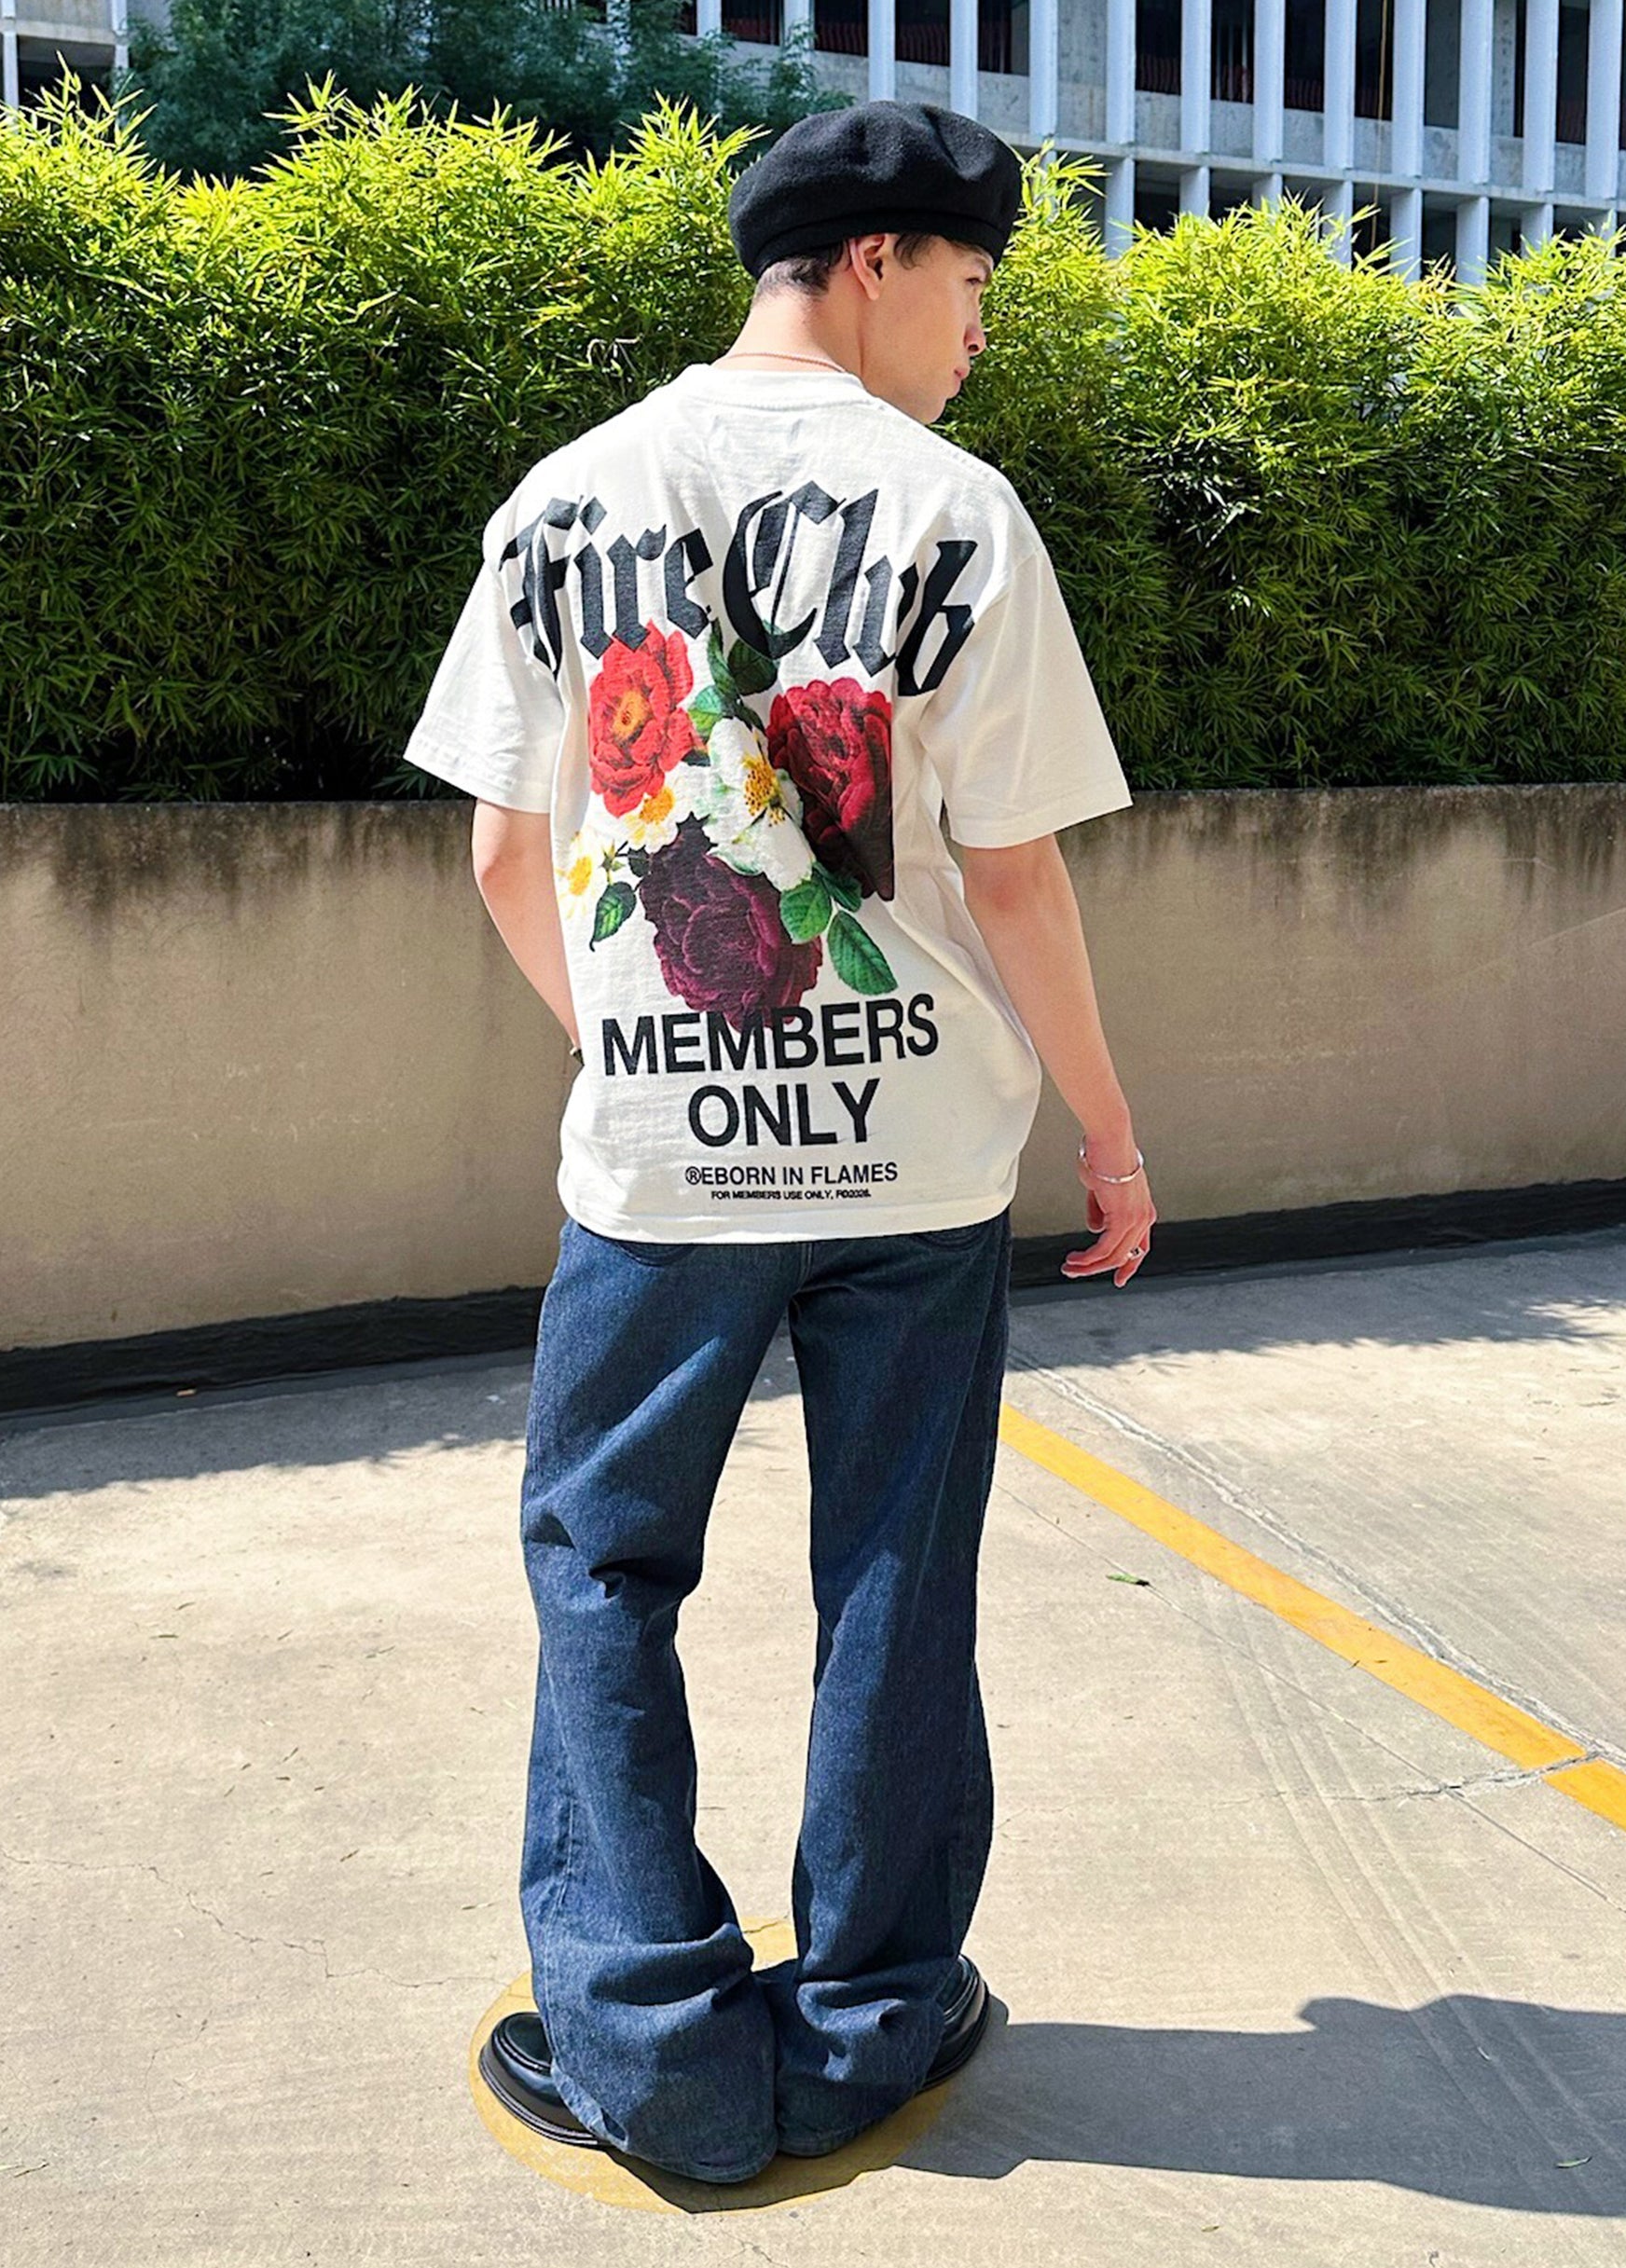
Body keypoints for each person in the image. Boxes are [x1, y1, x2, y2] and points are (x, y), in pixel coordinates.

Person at [402, 97, 1156, 2187]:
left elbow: (503, 855)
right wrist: (1108, 1135)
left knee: (603, 1565)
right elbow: (1012, 876)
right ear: (874, 258)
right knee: (896, 1572)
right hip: (918, 1167)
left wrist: (636, 1051)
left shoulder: (562, 497)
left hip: (661, 1173)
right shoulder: (959, 514)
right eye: (973, 286)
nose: (978, 336)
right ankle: (868, 2018)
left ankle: (648, 2046)